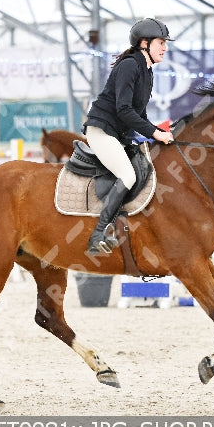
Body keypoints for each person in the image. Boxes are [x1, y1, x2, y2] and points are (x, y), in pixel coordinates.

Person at [82, 17, 175, 254]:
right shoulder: (130, 65)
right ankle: (98, 234)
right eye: (161, 42)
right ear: (144, 43)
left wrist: (159, 132)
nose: (165, 47)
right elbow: (124, 110)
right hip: (101, 131)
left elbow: (139, 115)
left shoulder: (147, 71)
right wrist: (154, 133)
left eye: (165, 43)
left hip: (118, 134)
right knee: (128, 175)